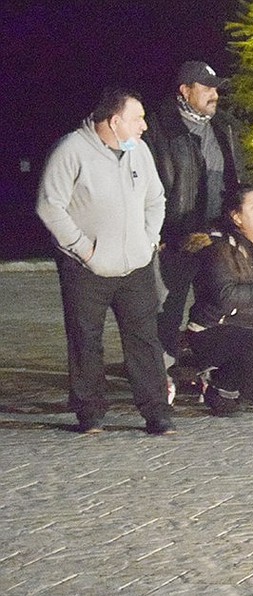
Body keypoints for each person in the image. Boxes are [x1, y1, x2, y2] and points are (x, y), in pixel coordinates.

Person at [36, 87, 175, 435]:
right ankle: (90, 412)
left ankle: (157, 412)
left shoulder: (138, 151)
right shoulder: (71, 150)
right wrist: (83, 249)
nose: (144, 126)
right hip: (86, 269)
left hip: (135, 266)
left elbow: (156, 198)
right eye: (137, 119)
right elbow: (49, 206)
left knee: (144, 339)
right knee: (85, 338)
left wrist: (147, 240)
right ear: (114, 122)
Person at [146, 61, 246, 366]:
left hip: (217, 234)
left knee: (216, 304)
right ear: (184, 90)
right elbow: (151, 184)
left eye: (215, 88)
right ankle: (162, 371)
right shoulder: (159, 127)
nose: (214, 94)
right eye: (206, 87)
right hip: (177, 235)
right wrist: (160, 233)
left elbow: (235, 177)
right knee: (169, 306)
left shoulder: (224, 126)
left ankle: (208, 366)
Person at [186, 187, 253, 416]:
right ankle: (221, 386)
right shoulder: (221, 246)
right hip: (218, 326)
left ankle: (252, 384)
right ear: (236, 216)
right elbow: (225, 295)